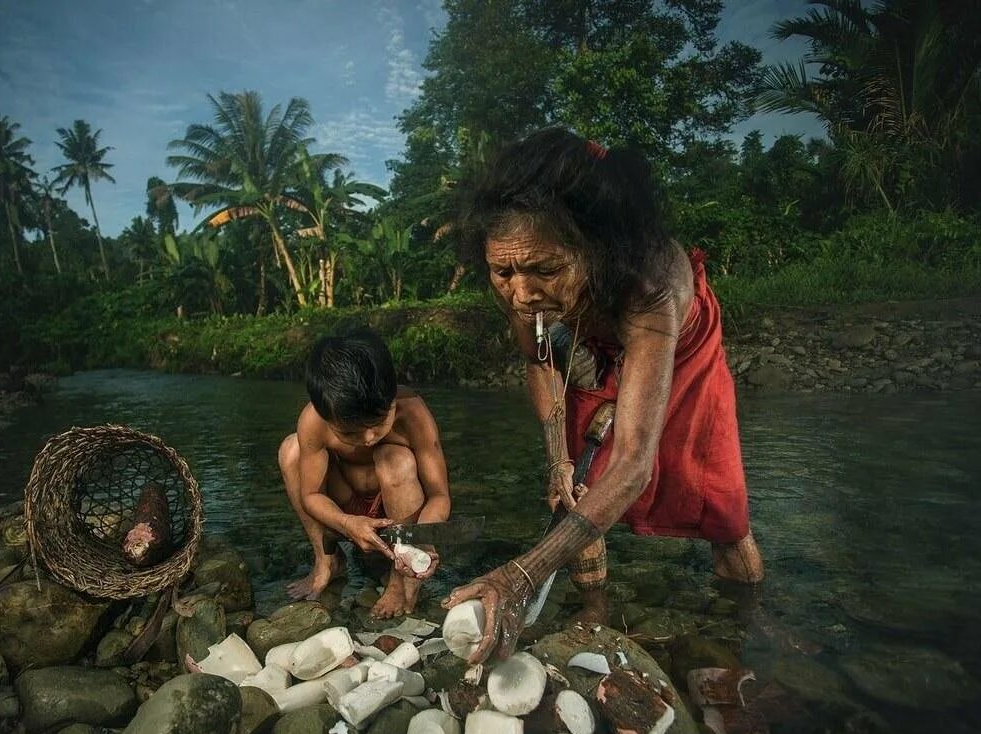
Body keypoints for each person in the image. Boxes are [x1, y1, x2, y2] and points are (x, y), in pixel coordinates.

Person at [444, 128, 765, 663]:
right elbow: (539, 360)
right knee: (576, 487)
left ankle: (747, 628)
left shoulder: (650, 283)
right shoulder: (518, 273)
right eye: (504, 273)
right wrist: (558, 460)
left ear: (596, 249)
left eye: (546, 269)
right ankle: (594, 612)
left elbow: (636, 462)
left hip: (678, 348)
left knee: (719, 499)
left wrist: (521, 574)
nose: (522, 294)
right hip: (590, 333)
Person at [279, 329, 452, 618]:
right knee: (290, 450)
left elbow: (439, 494)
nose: (370, 437)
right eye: (349, 432)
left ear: (393, 399)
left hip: (400, 511)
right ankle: (327, 561)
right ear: (326, 416)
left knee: (393, 457)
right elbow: (310, 494)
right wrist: (347, 524)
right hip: (348, 503)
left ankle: (402, 582)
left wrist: (422, 540)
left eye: (379, 422)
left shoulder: (413, 413)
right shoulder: (314, 421)